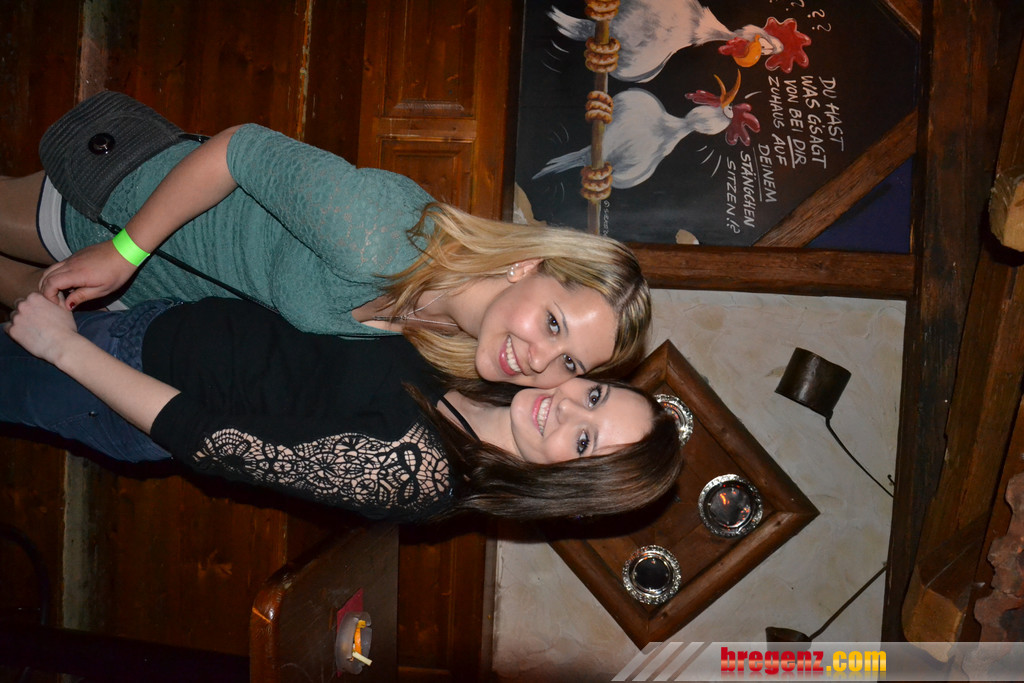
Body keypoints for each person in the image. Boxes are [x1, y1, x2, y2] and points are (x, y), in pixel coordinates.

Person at [0, 91, 651, 388]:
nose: (542, 361)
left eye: (571, 364)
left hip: (149, 290)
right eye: (555, 324)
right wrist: (125, 252)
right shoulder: (382, 237)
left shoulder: (440, 331)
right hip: (118, 210)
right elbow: (237, 150)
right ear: (527, 265)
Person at [2, 293, 683, 522]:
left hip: (113, 382)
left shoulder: (417, 474)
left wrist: (66, 350)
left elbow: (209, 441)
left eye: (585, 442)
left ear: (569, 484)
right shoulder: (486, 380)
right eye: (594, 395)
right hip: (154, 326)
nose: (567, 410)